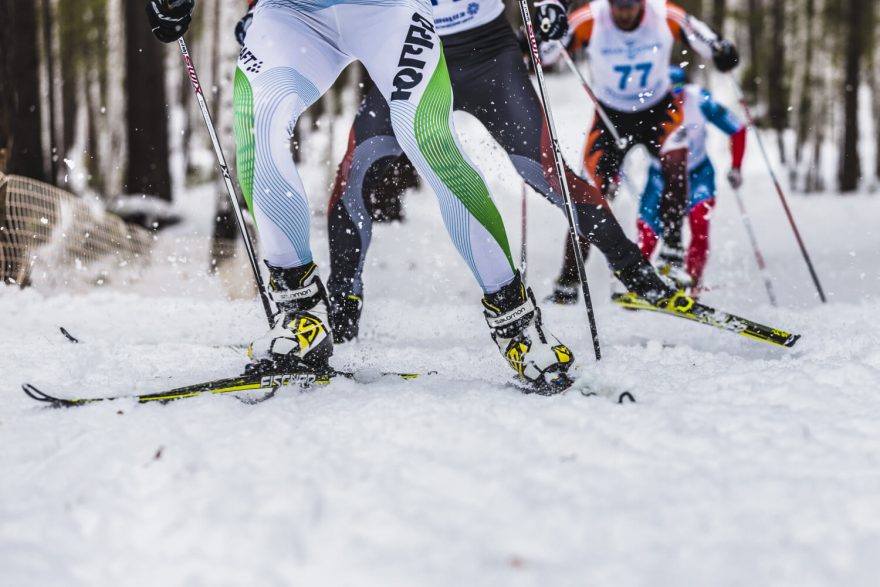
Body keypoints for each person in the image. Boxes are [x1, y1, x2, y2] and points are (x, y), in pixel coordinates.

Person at [146, 0, 575, 391]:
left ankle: (515, 319)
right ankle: (302, 315)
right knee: (259, 127)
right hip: (294, 15)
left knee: (427, 138)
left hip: (388, 13)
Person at [280, 0, 676, 343]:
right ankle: (343, 308)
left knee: (546, 173)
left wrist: (553, 5)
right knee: (357, 171)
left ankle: (635, 273)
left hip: (487, 55)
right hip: (406, 55)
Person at [542, 0, 739, 303]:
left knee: (676, 165)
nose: (624, 12)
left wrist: (723, 52)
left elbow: (706, 39)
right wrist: (536, 40)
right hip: (611, 117)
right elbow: (547, 53)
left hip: (658, 110)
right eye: (618, 6)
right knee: (591, 196)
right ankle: (568, 282)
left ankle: (672, 256)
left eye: (631, 6)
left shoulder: (664, 15)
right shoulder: (590, 18)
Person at [636, 65, 745, 293]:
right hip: (660, 176)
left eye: (678, 91)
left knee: (699, 222)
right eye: (667, 93)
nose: (674, 98)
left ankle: (692, 283)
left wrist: (736, 166)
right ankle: (638, 285)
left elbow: (737, 128)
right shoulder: (646, 106)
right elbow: (622, 139)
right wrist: (613, 174)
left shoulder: (700, 100)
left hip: (698, 173)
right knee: (648, 232)